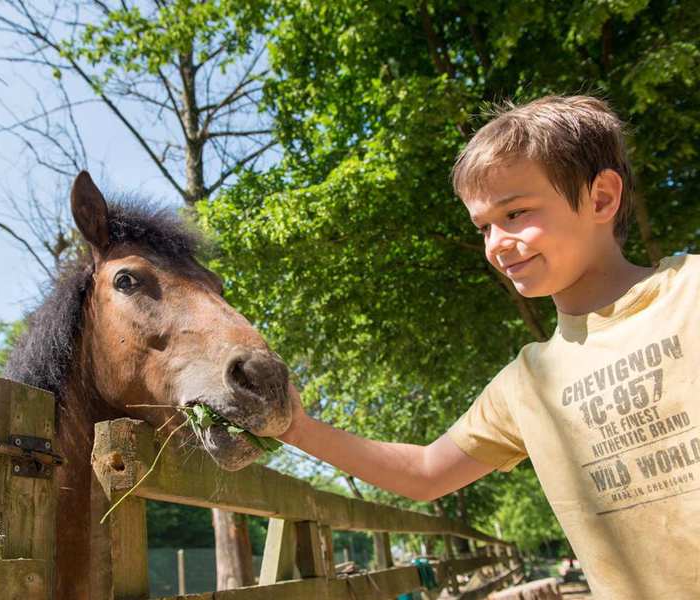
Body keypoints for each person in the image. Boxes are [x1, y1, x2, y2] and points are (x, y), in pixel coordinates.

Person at [278, 95, 699, 599]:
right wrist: (293, 427)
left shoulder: (690, 294)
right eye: (484, 227)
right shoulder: (526, 384)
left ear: (601, 199)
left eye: (516, 213)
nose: (496, 243)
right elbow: (427, 473)